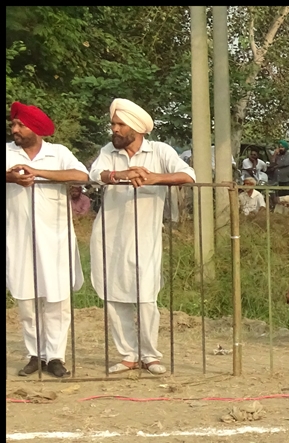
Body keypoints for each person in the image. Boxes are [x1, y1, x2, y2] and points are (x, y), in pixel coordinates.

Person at [89, 98, 196, 374]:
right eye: (113, 124)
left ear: (136, 129)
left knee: (146, 296)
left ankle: (150, 355)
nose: (114, 129)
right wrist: (120, 174)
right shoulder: (108, 151)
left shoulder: (159, 151)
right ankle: (128, 355)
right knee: (114, 294)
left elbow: (188, 176)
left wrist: (154, 178)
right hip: (110, 235)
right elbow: (94, 174)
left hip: (145, 237)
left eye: (120, 125)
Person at [6, 101, 89, 378]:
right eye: (13, 124)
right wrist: (10, 177)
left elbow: (81, 175)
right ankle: (35, 355)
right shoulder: (7, 152)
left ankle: (55, 356)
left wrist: (39, 173)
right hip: (18, 238)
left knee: (57, 300)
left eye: (20, 125)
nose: (14, 129)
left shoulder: (58, 153)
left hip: (55, 239)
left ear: (36, 128)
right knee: (26, 301)